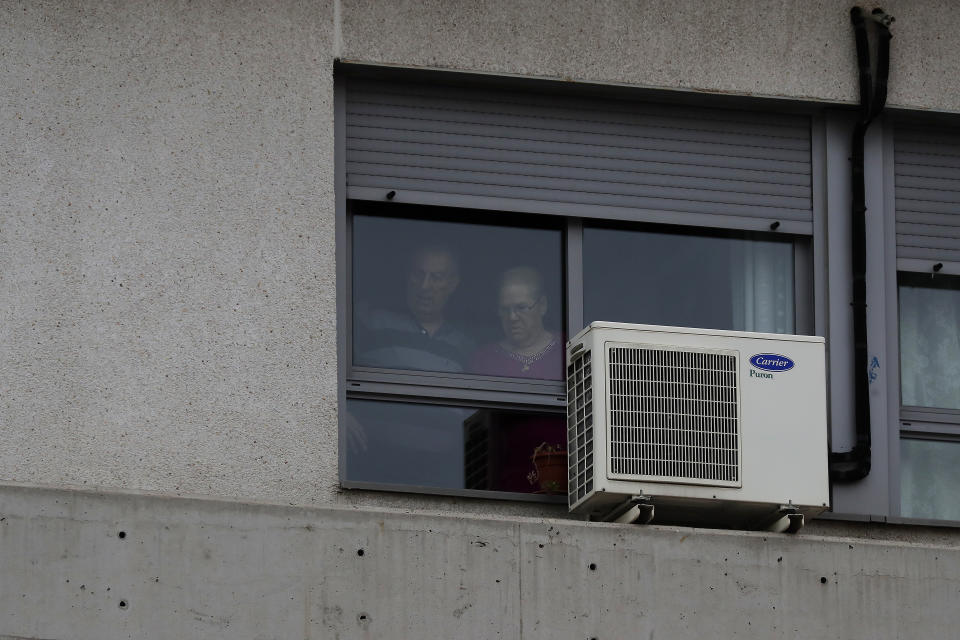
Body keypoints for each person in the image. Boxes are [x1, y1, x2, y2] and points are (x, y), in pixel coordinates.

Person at [355, 244, 473, 372]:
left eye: (436, 277)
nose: (424, 286)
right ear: (407, 276)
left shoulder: (463, 345)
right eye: (418, 274)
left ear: (452, 284)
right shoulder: (371, 320)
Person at [470, 266, 562, 380]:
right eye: (505, 309)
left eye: (521, 307)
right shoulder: (484, 359)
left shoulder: (567, 350)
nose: (512, 317)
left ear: (542, 305)